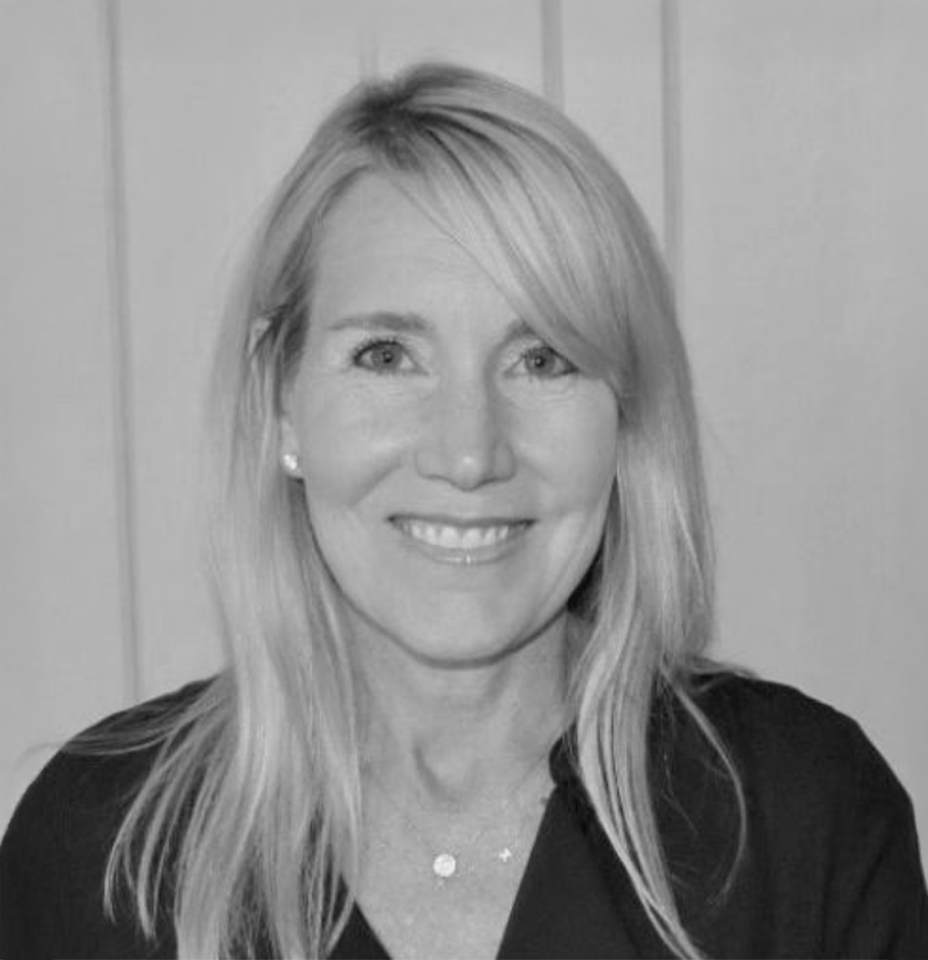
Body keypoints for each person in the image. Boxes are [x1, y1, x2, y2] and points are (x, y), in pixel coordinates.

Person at [0, 62, 925, 960]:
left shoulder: (807, 820)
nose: (471, 453)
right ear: (282, 402)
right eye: (388, 355)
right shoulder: (97, 852)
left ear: (625, 419)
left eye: (543, 359)